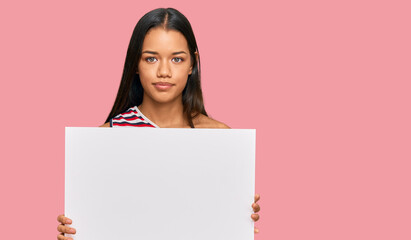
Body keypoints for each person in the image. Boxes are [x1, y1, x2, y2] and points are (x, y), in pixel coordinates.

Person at [57, 7, 261, 240]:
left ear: (192, 64)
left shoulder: (220, 138)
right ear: (136, 63)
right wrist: (75, 231)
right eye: (151, 58)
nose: (164, 71)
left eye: (177, 59)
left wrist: (238, 218)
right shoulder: (106, 140)